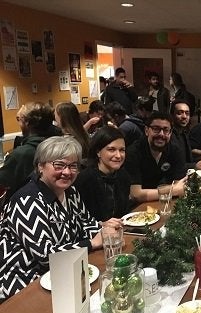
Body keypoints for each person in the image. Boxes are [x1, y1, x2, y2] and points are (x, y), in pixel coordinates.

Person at [0, 136, 122, 300]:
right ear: (40, 166)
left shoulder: (70, 192)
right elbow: (46, 256)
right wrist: (92, 243)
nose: (67, 172)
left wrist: (104, 229)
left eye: (73, 166)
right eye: (59, 165)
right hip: (24, 282)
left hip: (61, 272)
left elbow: (85, 224)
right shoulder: (27, 201)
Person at [124, 111, 187, 203]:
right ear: (146, 131)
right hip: (138, 207)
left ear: (170, 133)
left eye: (165, 130)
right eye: (156, 129)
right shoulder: (133, 152)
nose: (161, 134)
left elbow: (180, 187)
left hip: (165, 202)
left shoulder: (175, 150)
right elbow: (136, 195)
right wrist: (172, 190)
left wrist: (173, 190)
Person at [0, 102, 58, 200]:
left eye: (19, 119)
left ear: (27, 123)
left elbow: (3, 181)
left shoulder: (21, 154)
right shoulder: (57, 144)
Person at [75, 126, 130, 222]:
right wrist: (102, 225)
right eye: (111, 149)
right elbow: (80, 221)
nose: (118, 155)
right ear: (98, 152)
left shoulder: (123, 175)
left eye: (122, 150)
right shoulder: (85, 180)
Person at [170, 99, 201, 170]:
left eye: (187, 113)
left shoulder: (184, 134)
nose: (184, 116)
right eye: (180, 113)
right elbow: (171, 164)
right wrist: (194, 165)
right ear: (172, 115)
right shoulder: (168, 136)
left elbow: (187, 159)